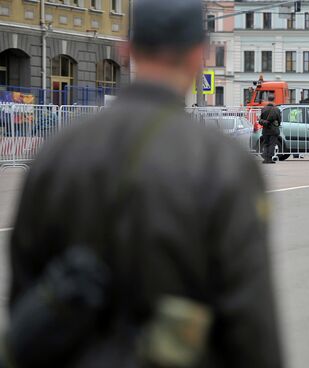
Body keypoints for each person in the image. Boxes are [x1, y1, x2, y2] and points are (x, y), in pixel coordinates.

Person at [5, 0, 284, 367]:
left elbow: (25, 294)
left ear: (127, 49)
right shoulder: (222, 163)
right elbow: (249, 317)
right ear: (199, 54)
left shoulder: (57, 151)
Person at [260, 95, 282, 164]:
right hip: (274, 129)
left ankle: (265, 158)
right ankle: (269, 158)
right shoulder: (277, 109)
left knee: (266, 144)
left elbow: (261, 118)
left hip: (265, 129)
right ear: (274, 100)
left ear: (268, 100)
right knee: (272, 144)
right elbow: (279, 120)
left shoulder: (263, 109)